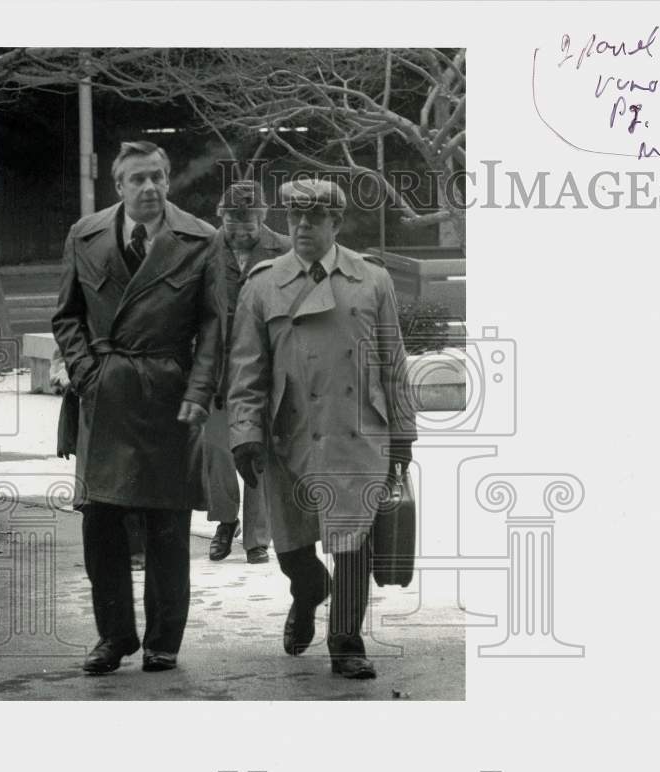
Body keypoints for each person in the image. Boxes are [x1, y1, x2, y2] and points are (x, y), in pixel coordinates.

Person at [227, 179, 417, 681]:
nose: (303, 227)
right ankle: (308, 589)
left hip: (357, 430)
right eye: (294, 218)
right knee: (292, 546)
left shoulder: (372, 280)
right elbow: (247, 368)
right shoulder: (262, 284)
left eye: (314, 218)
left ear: (337, 223)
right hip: (289, 433)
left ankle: (346, 640)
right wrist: (245, 430)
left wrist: (403, 431)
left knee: (353, 540)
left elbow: (392, 360)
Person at [52, 140, 220, 675]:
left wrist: (197, 392)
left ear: (168, 181)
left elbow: (216, 326)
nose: (148, 187)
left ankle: (163, 640)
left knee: (167, 522)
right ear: (118, 186)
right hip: (106, 393)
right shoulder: (86, 235)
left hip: (168, 395)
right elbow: (67, 316)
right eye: (136, 179)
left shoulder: (201, 239)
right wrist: (86, 374)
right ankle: (113, 636)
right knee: (101, 521)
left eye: (156, 177)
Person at [202, 181, 290, 564]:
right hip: (215, 366)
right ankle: (225, 520)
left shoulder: (285, 250)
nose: (239, 229)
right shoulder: (205, 251)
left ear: (263, 216)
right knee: (217, 449)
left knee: (259, 449)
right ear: (220, 217)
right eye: (231, 219)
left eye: (248, 220)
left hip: (264, 366)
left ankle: (257, 537)